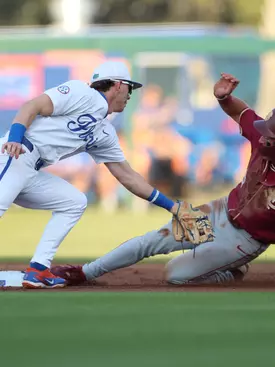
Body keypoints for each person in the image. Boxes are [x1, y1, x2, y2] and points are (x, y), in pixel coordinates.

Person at [52, 72, 275, 286]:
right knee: (153, 241)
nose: (263, 135)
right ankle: (85, 272)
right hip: (219, 211)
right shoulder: (260, 136)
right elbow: (242, 113)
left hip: (243, 241)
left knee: (176, 275)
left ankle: (229, 272)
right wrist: (224, 97)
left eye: (269, 134)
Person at [0, 60, 188, 289]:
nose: (130, 95)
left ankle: (38, 270)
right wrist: (14, 138)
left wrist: (173, 206)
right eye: (130, 88)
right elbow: (31, 106)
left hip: (31, 169)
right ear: (118, 85)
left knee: (74, 202)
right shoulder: (82, 92)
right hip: (16, 153)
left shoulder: (104, 130)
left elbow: (127, 176)